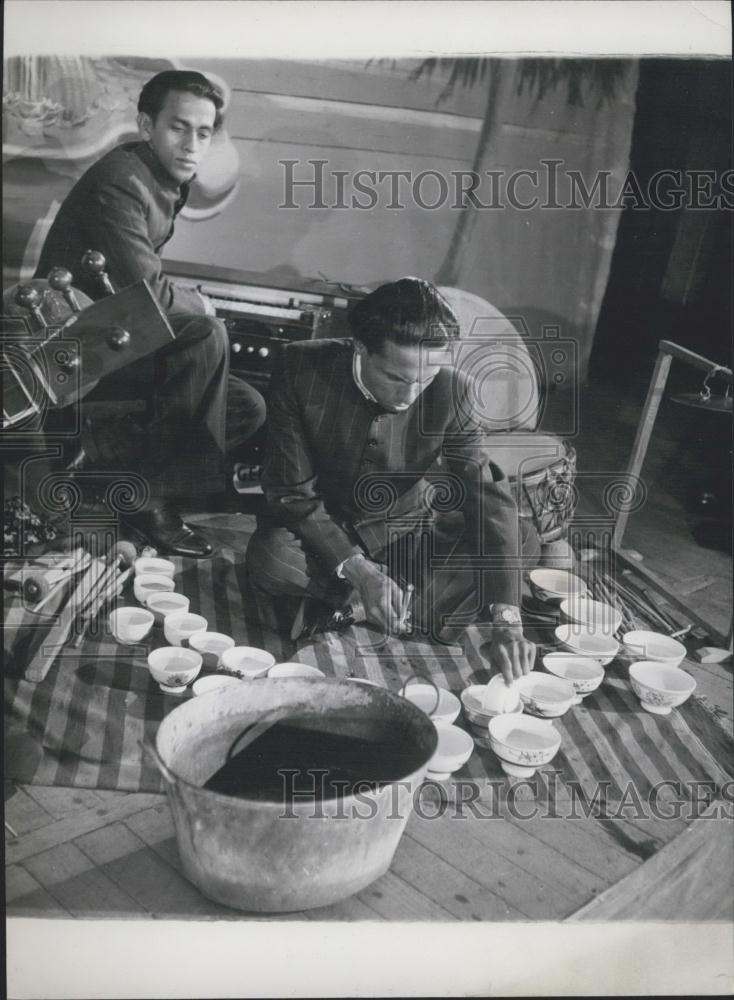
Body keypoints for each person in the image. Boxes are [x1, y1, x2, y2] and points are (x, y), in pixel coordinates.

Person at [246, 277, 541, 683]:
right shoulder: (301, 368)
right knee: (270, 557)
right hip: (321, 532)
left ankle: (352, 606)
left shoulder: (456, 391)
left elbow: (486, 500)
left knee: (521, 539)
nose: (411, 394)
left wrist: (508, 620)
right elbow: (291, 494)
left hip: (407, 531)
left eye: (425, 378)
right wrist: (359, 569)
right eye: (396, 378)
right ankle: (404, 601)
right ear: (360, 348)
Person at [34, 70, 265, 557]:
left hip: (113, 342)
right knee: (206, 333)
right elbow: (149, 294)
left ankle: (92, 462)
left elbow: (138, 287)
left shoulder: (166, 179)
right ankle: (148, 499)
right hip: (69, 352)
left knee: (245, 406)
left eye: (204, 133)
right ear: (146, 126)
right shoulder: (121, 181)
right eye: (178, 128)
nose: (191, 145)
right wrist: (197, 302)